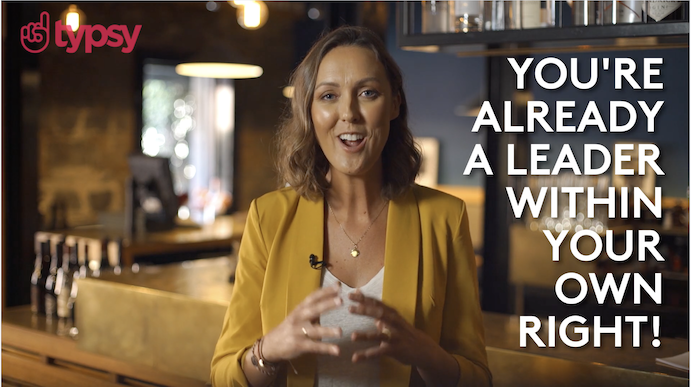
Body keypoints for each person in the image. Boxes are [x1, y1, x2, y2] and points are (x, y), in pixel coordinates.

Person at [211, 26, 491, 387]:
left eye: (368, 93)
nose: (349, 113)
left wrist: (424, 352)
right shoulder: (269, 217)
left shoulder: (445, 218)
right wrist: (269, 350)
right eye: (328, 95)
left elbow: (478, 379)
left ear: (393, 104)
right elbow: (222, 377)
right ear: (309, 110)